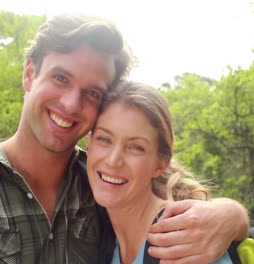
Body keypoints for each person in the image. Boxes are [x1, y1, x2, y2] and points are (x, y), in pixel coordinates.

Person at [0, 14, 248, 263]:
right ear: (30, 73)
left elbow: (174, 203)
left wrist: (233, 218)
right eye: (60, 77)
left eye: (91, 92)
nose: (71, 104)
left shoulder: (105, 188)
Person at [86, 81, 242, 263]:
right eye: (104, 139)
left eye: (135, 147)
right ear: (88, 144)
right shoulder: (107, 242)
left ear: (160, 164)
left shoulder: (186, 243)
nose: (113, 161)